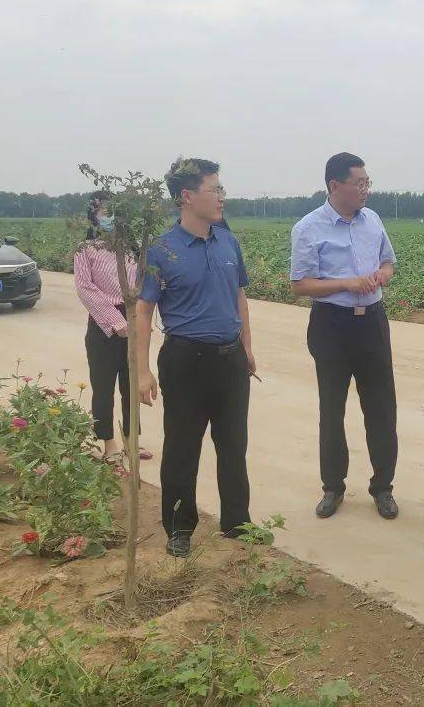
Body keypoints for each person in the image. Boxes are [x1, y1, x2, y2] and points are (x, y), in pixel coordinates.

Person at [135, 157, 256, 558]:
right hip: (185, 360)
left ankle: (237, 522)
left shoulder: (229, 242)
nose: (222, 197)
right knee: (182, 448)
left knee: (233, 445)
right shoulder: (162, 250)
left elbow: (239, 296)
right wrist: (143, 369)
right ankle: (179, 527)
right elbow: (144, 310)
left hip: (229, 358)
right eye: (214, 189)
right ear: (187, 197)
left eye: (221, 189)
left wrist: (247, 348)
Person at [290, 153, 400, 520]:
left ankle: (383, 487)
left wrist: (382, 274)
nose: (366, 189)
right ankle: (332, 487)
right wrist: (347, 283)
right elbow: (300, 285)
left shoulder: (373, 221)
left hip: (372, 323)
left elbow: (388, 261)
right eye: (360, 183)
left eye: (368, 182)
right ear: (336, 186)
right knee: (332, 409)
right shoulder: (309, 227)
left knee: (382, 408)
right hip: (331, 326)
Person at [74, 192, 144, 465]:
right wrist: (115, 322)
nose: (109, 217)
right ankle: (109, 443)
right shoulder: (86, 249)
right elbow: (85, 288)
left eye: (113, 211)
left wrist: (135, 318)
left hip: (132, 319)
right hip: (103, 326)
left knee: (131, 386)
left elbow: (142, 284)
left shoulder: (131, 247)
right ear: (93, 215)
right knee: (103, 387)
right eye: (103, 211)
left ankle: (132, 440)